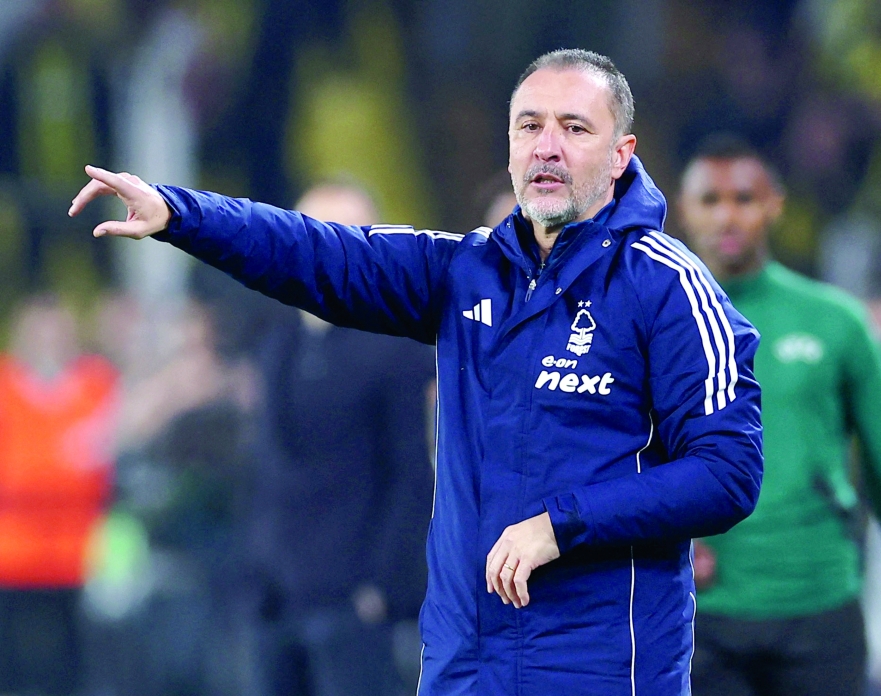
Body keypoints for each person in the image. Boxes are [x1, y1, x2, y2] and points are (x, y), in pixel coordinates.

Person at [69, 49, 764, 695]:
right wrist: (180, 214)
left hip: (600, 663)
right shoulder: (466, 272)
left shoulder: (668, 287)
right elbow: (319, 253)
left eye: (574, 127)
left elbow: (728, 472)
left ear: (621, 155)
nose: (547, 146)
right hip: (466, 661)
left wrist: (563, 523)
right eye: (530, 126)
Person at [676, 134, 881, 696]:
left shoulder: (837, 323)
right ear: (684, 209)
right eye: (710, 200)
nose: (727, 215)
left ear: (775, 204)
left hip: (819, 605)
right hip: (699, 614)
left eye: (744, 198)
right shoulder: (656, 323)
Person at [250, 182, 435, 696]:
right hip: (277, 597)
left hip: (356, 603)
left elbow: (414, 475)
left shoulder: (398, 343)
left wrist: (380, 587)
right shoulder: (277, 337)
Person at [0, 294, 118, 696]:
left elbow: (109, 458)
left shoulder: (97, 383)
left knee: (78, 666)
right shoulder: (5, 386)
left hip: (81, 554)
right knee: (14, 666)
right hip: (13, 556)